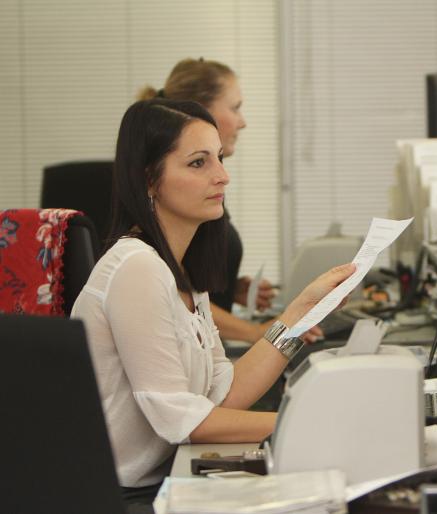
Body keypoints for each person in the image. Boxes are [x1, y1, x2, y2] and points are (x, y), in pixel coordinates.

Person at [70, 98, 355, 506]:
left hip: (161, 479)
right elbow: (182, 420)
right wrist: (303, 420)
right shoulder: (136, 267)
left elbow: (224, 392)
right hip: (118, 496)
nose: (222, 176)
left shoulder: (181, 272)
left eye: (219, 158)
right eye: (198, 163)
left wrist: (301, 311)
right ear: (150, 180)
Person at [137, 58, 314, 344]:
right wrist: (256, 332)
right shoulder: (176, 205)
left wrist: (229, 289)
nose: (242, 122)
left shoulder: (207, 190)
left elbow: (191, 286)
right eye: (235, 108)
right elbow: (172, 295)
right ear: (201, 111)